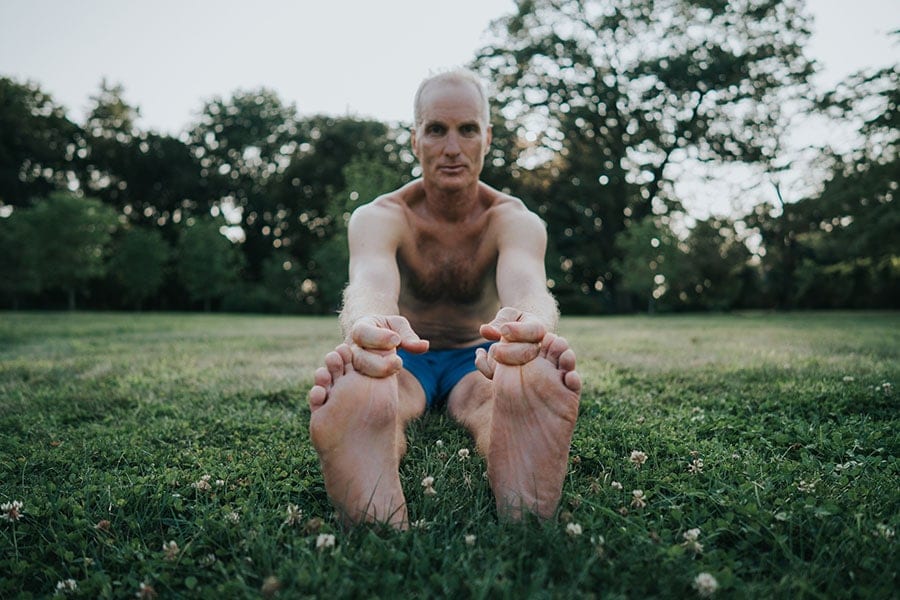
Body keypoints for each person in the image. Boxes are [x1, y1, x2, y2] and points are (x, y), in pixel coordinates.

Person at [307, 68, 581, 528]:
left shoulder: (515, 220)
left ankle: (517, 460)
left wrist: (528, 329)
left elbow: (529, 284)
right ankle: (370, 465)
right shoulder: (379, 216)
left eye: (467, 129)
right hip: (404, 357)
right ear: (415, 140)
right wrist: (371, 328)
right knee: (384, 391)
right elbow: (370, 280)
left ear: (487, 138)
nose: (452, 147)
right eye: (436, 129)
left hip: (477, 357)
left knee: (491, 395)